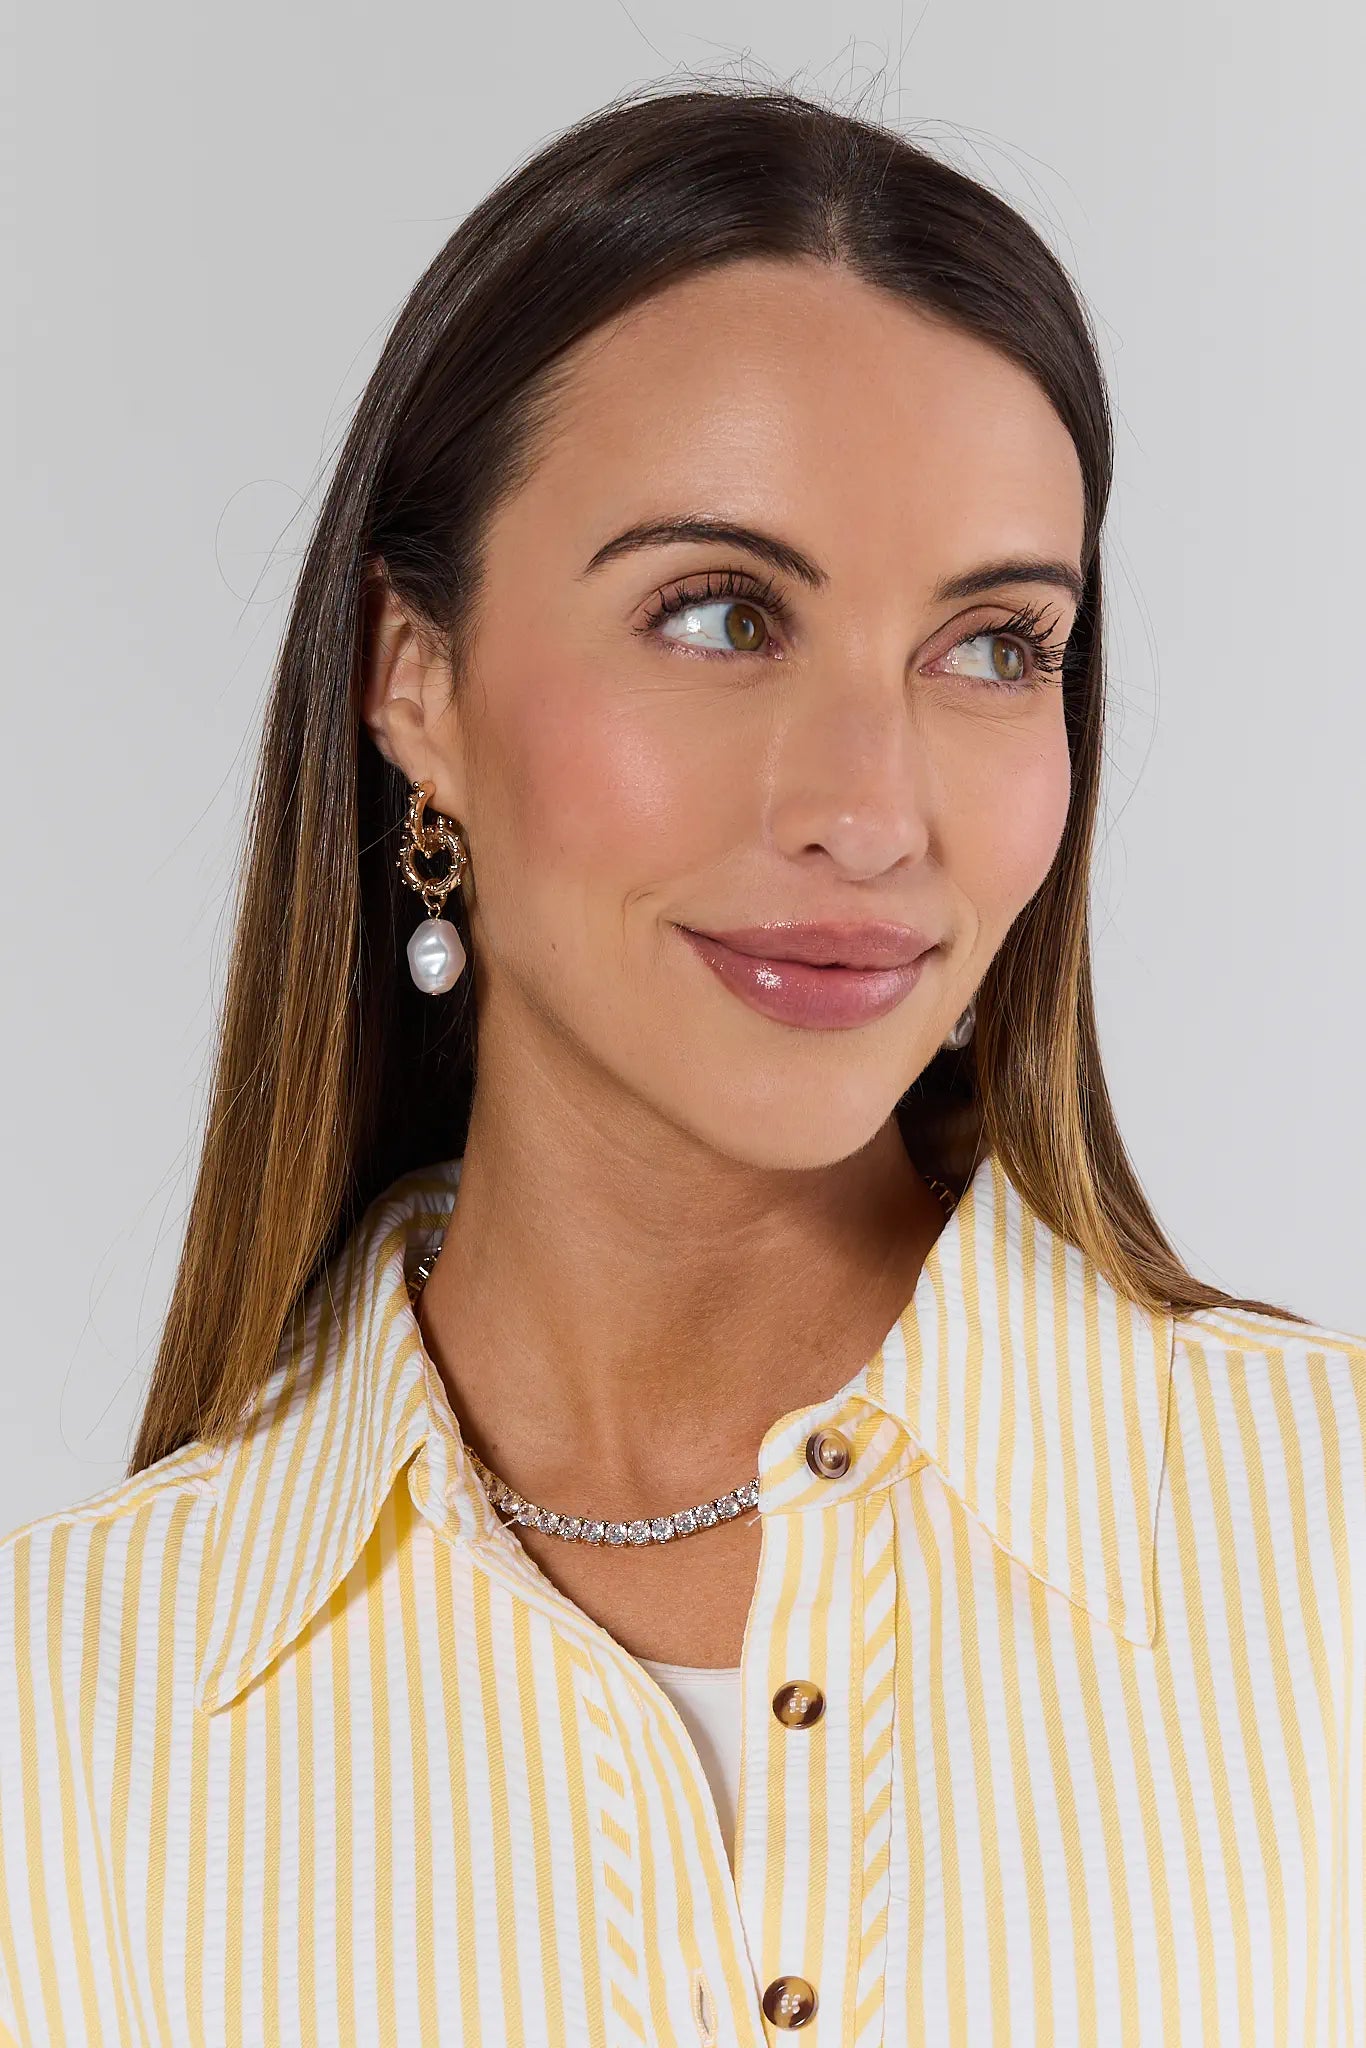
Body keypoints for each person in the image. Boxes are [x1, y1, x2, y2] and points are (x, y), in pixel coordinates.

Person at [1, 80, 1361, 2048]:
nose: (871, 810)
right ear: (413, 681)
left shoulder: (1325, 1552)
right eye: (719, 612)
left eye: (990, 643)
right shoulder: (67, 1717)